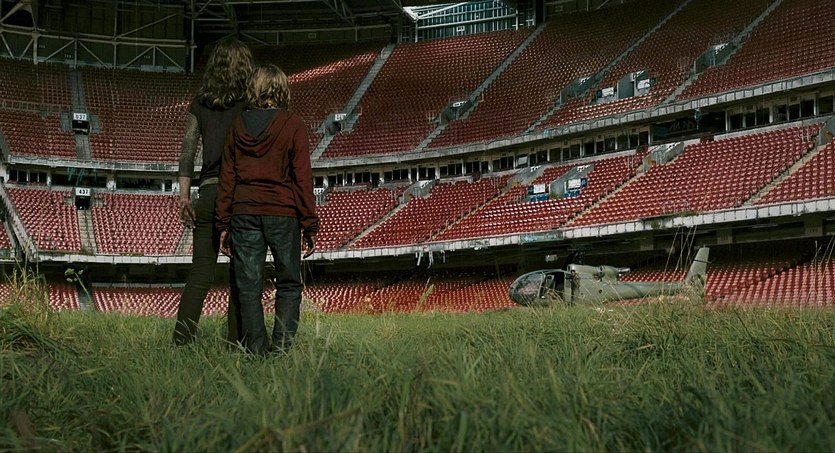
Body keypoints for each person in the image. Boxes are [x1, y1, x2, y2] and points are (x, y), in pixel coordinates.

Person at [216, 64, 318, 356]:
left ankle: (257, 351)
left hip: (244, 211)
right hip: (283, 212)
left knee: (248, 288)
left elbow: (227, 177)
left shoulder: (237, 125)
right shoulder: (293, 124)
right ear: (282, 90)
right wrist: (309, 224)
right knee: (289, 283)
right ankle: (281, 351)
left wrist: (223, 223)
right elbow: (302, 178)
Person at [173, 36, 254, 346]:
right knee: (239, 275)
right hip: (240, 194)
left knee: (199, 275)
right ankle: (235, 345)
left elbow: (187, 152)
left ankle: (181, 343)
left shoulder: (200, 102)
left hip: (207, 193)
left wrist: (184, 197)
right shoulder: (250, 104)